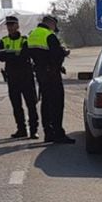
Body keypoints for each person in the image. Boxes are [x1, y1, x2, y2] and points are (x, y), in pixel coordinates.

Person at [26, 15, 74, 144]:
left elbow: (28, 54)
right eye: (54, 26)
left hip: (40, 73)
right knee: (57, 103)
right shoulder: (49, 35)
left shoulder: (32, 34)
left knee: (46, 102)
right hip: (52, 74)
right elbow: (57, 55)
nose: (55, 28)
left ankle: (48, 132)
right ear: (51, 23)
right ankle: (58, 133)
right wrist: (64, 52)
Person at [0, 16, 39, 139]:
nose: (10, 27)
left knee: (31, 104)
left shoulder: (25, 40)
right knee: (16, 105)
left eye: (12, 25)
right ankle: (21, 129)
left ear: (17, 26)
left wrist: (11, 55)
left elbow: (25, 55)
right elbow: (1, 57)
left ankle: (33, 130)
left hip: (26, 76)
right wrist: (16, 54)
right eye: (8, 25)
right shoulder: (4, 41)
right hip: (12, 77)